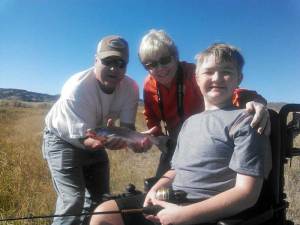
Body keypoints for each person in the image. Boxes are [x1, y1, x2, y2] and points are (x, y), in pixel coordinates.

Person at [89, 43, 272, 225]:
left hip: (205, 211)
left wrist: (185, 215)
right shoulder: (189, 123)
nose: (216, 78)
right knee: (103, 214)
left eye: (226, 72)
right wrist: (156, 189)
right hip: (170, 201)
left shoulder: (247, 120)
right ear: (197, 79)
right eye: (208, 72)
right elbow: (176, 169)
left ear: (238, 78)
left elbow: (247, 194)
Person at [42, 35, 144, 225]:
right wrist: (105, 142)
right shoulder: (78, 89)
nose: (114, 68)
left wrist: (137, 143)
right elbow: (86, 141)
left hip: (95, 136)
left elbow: (127, 128)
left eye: (121, 63)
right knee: (72, 200)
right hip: (63, 139)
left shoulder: (131, 88)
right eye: (108, 61)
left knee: (101, 200)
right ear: (95, 60)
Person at [140, 29, 270, 177]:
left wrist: (255, 101)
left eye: (165, 60)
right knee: (159, 185)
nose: (159, 69)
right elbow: (151, 117)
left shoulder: (194, 74)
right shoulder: (148, 84)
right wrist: (157, 137)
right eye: (150, 64)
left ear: (175, 57)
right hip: (174, 141)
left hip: (205, 136)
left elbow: (229, 91)